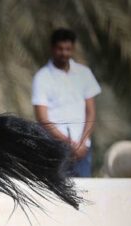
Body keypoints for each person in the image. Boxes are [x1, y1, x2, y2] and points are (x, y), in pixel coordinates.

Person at [32, 28, 101, 177]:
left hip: (83, 150)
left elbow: (91, 112)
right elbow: (42, 118)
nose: (64, 53)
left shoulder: (84, 73)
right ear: (52, 48)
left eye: (68, 49)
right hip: (54, 149)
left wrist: (82, 142)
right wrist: (68, 143)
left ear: (73, 49)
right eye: (60, 49)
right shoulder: (42, 77)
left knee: (85, 195)